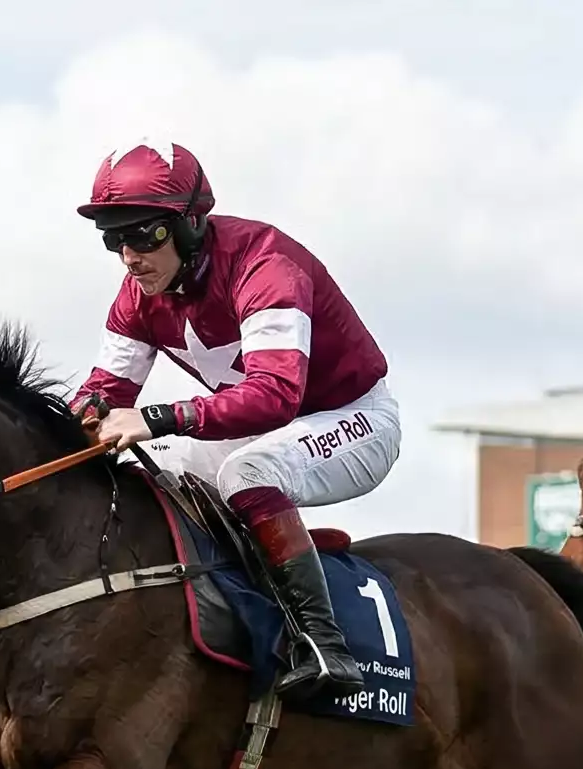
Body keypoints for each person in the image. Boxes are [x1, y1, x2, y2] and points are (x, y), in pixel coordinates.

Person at [66, 140, 398, 701]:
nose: (130, 256)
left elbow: (275, 397)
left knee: (247, 473)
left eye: (145, 235)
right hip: (262, 430)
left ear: (192, 225)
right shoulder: (136, 296)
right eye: (114, 238)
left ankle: (323, 645)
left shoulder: (266, 266)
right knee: (151, 473)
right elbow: (102, 392)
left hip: (352, 418)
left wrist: (158, 416)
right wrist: (73, 421)